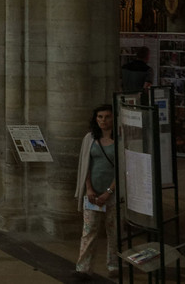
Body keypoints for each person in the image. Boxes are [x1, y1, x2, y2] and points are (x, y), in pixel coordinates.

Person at [74, 104, 119, 280]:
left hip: (113, 194)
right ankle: (83, 268)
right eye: (100, 117)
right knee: (89, 231)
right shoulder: (90, 138)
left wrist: (109, 192)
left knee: (114, 232)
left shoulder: (120, 139)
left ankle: (114, 265)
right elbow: (85, 165)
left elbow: (121, 168)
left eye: (107, 117)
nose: (103, 121)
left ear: (113, 118)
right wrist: (89, 188)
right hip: (92, 194)